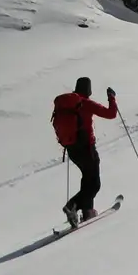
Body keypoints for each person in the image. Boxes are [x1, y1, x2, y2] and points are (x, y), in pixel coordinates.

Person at [52, 76, 118, 227]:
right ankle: (72, 205)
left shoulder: (68, 105)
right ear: (88, 90)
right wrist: (112, 97)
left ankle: (87, 211)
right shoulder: (85, 103)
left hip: (72, 149)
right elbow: (111, 114)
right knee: (94, 184)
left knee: (87, 178)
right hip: (87, 149)